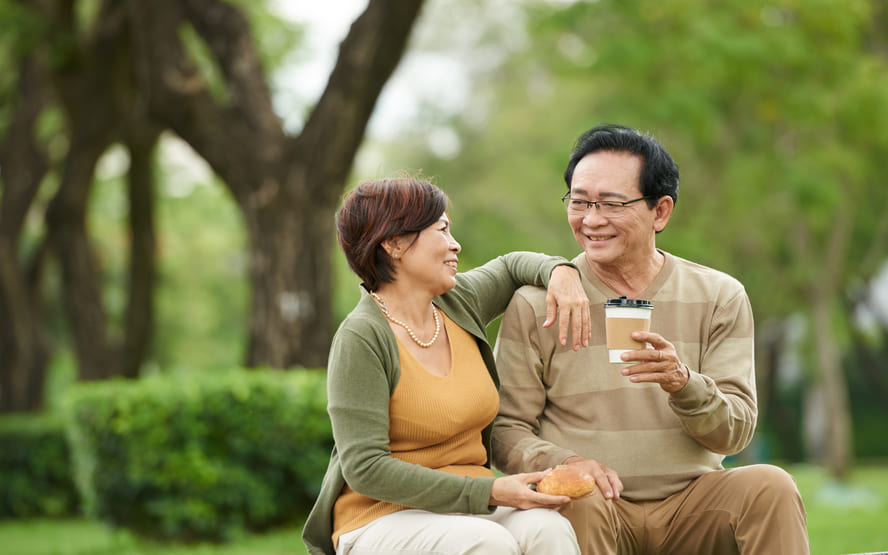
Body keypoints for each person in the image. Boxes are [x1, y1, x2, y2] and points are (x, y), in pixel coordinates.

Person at [491, 124, 810, 554]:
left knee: (771, 486)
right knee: (575, 502)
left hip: (694, 505)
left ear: (660, 211)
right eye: (580, 201)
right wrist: (567, 464)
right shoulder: (536, 303)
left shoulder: (718, 295)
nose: (591, 219)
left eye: (611, 204)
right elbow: (504, 431)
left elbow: (734, 433)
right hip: (594, 506)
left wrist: (684, 384)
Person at [303, 176, 589, 555]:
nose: (455, 244)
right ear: (394, 244)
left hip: (468, 505)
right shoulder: (361, 337)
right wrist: (487, 490)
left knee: (546, 529)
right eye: (441, 230)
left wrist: (561, 271)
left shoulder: (458, 302)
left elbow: (510, 266)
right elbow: (365, 468)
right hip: (380, 518)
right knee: (487, 544)